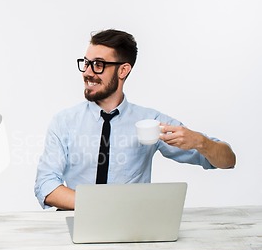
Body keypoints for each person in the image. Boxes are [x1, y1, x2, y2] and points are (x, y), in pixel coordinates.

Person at [34, 29, 236, 210]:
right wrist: (100, 208)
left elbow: (227, 161)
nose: (87, 72)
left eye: (98, 65)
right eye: (86, 63)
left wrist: (200, 142)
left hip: (131, 231)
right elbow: (46, 185)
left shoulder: (151, 122)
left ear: (123, 70)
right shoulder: (64, 122)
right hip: (77, 220)